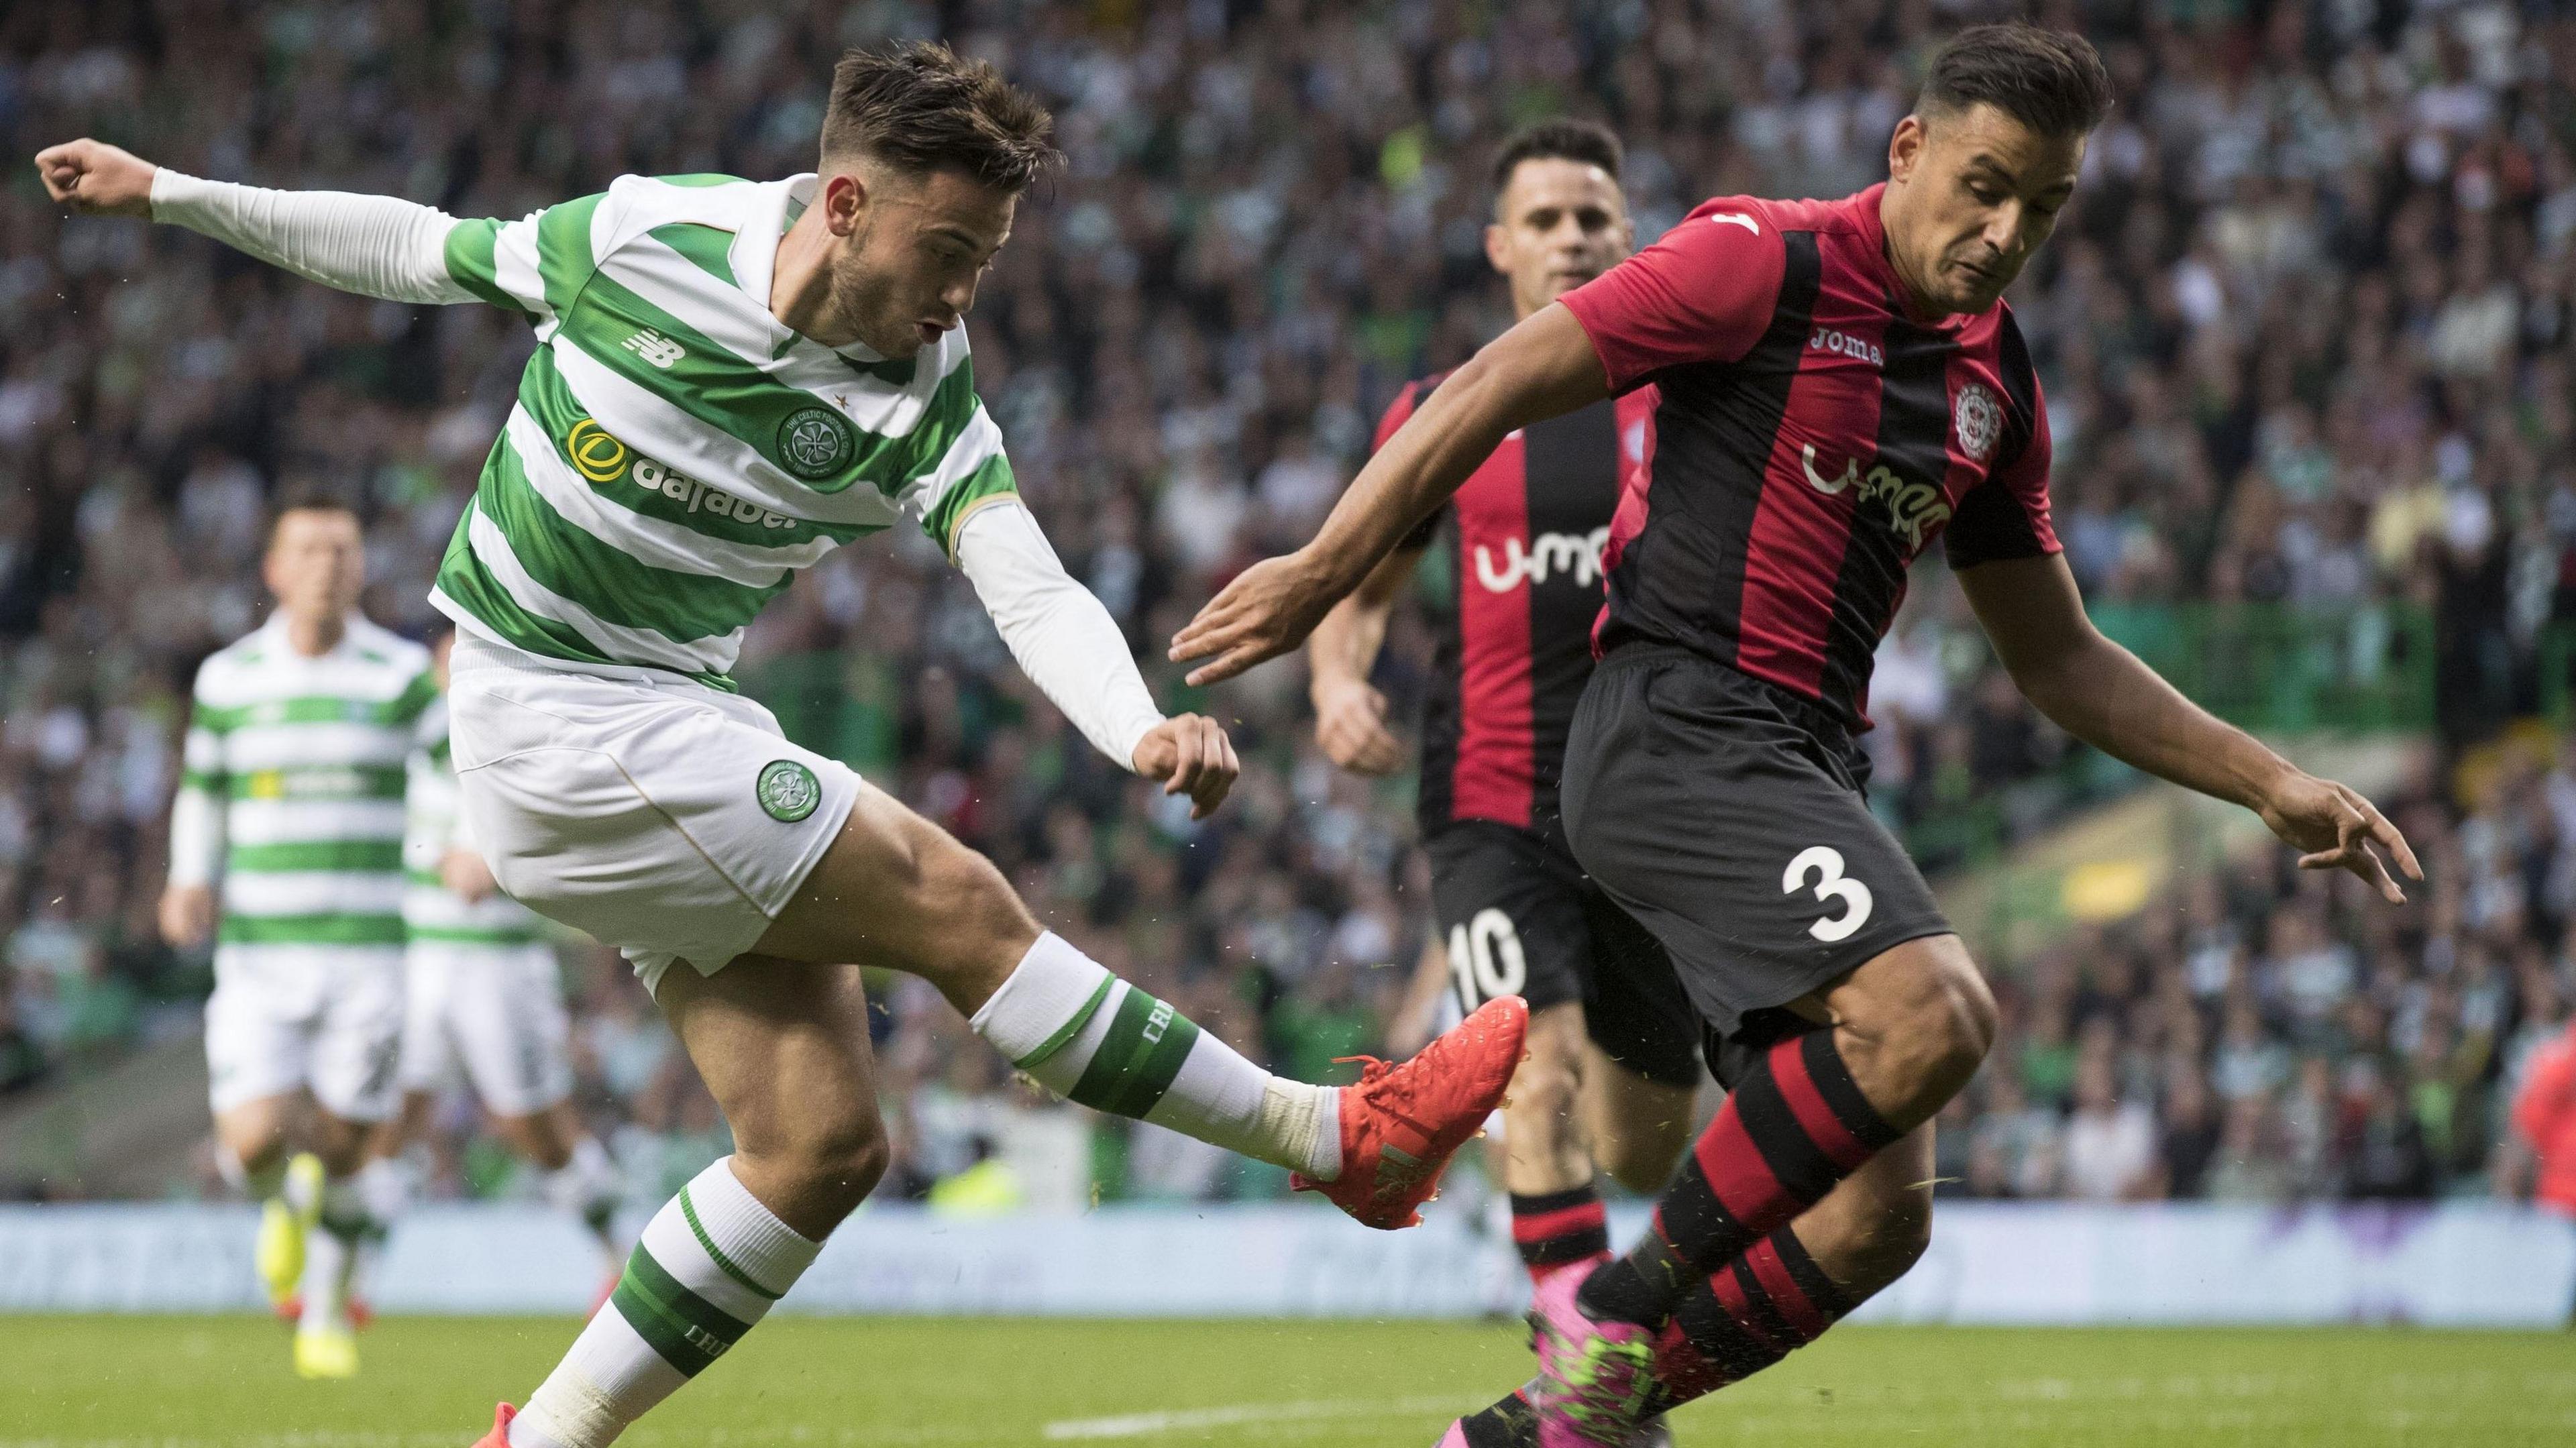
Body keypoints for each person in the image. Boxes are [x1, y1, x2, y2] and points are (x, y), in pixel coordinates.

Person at [39, 40, 1527, 1448]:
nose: (960, 299)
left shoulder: (927, 393)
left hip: (670, 716)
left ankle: (539, 1434)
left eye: (987, 266)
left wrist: (1138, 723)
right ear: (843, 202)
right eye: (947, 254)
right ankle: (1338, 1133)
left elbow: (1027, 579)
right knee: (956, 901)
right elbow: (419, 248)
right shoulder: (646, 242)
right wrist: (169, 191)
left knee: (817, 1146)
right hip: (548, 708)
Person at [1170, 25, 2420, 1446]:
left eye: (2048, 207)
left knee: (1883, 1214)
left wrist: (2270, 779)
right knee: (1934, 1009)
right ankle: (1618, 1306)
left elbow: (2059, 654)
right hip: (1672, 724)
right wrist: (1326, 571)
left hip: (1806, 763)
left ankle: (1545, 1428)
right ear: (1909, 149)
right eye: (1986, 185)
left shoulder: (1994, 386)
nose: (2009, 233)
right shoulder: (1762, 258)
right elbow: (1488, 386)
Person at [1305, 120, 1700, 1291]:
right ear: (1500, 246)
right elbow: (1358, 584)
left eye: (1592, 217)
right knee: (1542, 1074)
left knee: (1643, 1142)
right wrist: (1334, 680)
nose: (1572, 239)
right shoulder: (1447, 406)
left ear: (1631, 234)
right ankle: (1581, 1368)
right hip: (1491, 802)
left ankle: (1526, 1185)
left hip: (1648, 807)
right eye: (1545, 220)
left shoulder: (1694, 403)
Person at [158, 495, 435, 1381]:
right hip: (260, 952)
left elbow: (452, 773)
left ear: (362, 568)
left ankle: (324, 1310)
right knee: (250, 1144)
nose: (327, 565)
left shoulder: (399, 676)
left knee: (349, 1149)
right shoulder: (228, 678)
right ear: (275, 569)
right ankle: (283, 1205)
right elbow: (203, 788)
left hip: (370, 952)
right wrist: (187, 874)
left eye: (343, 550)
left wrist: (465, 844)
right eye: (309, 549)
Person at [369, 631, 625, 1288]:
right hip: (419, 959)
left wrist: (478, 854)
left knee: (534, 1129)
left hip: (499, 965)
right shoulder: (415, 750)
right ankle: (341, 1284)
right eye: (446, 659)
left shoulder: (521, 750)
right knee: (386, 1116)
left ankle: (617, 1256)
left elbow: (483, 873)